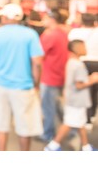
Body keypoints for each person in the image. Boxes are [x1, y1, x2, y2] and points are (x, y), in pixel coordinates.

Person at [0, 3, 44, 151]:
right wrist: (36, 83)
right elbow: (37, 63)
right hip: (24, 87)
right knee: (25, 126)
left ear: (4, 17)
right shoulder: (30, 35)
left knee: (1, 125)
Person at [45, 40, 98, 151]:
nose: (85, 49)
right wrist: (93, 79)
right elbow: (79, 85)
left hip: (74, 99)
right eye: (83, 47)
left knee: (79, 122)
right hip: (76, 100)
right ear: (76, 49)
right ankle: (53, 145)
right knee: (69, 123)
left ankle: (85, 146)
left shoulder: (72, 62)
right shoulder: (78, 65)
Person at [38, 9, 69, 142]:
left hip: (49, 77)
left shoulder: (49, 35)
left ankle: (48, 134)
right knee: (56, 106)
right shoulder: (63, 33)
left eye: (45, 18)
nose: (42, 21)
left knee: (48, 107)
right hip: (60, 75)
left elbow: (38, 56)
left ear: (52, 19)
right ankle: (70, 128)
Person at [68, 13, 98, 129]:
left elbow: (70, 46)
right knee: (95, 91)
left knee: (82, 90)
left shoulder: (75, 32)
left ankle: (84, 118)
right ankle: (91, 116)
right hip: (96, 63)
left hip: (81, 63)